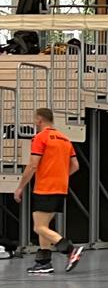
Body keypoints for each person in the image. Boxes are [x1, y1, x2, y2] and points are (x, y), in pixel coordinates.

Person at [12, 108, 83, 275]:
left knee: (38, 227)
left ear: (39, 119)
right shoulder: (65, 139)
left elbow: (33, 165)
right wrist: (60, 175)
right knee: (44, 226)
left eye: (34, 119)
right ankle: (44, 263)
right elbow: (75, 166)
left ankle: (70, 250)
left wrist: (20, 187)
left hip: (45, 187)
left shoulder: (40, 137)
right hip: (60, 188)